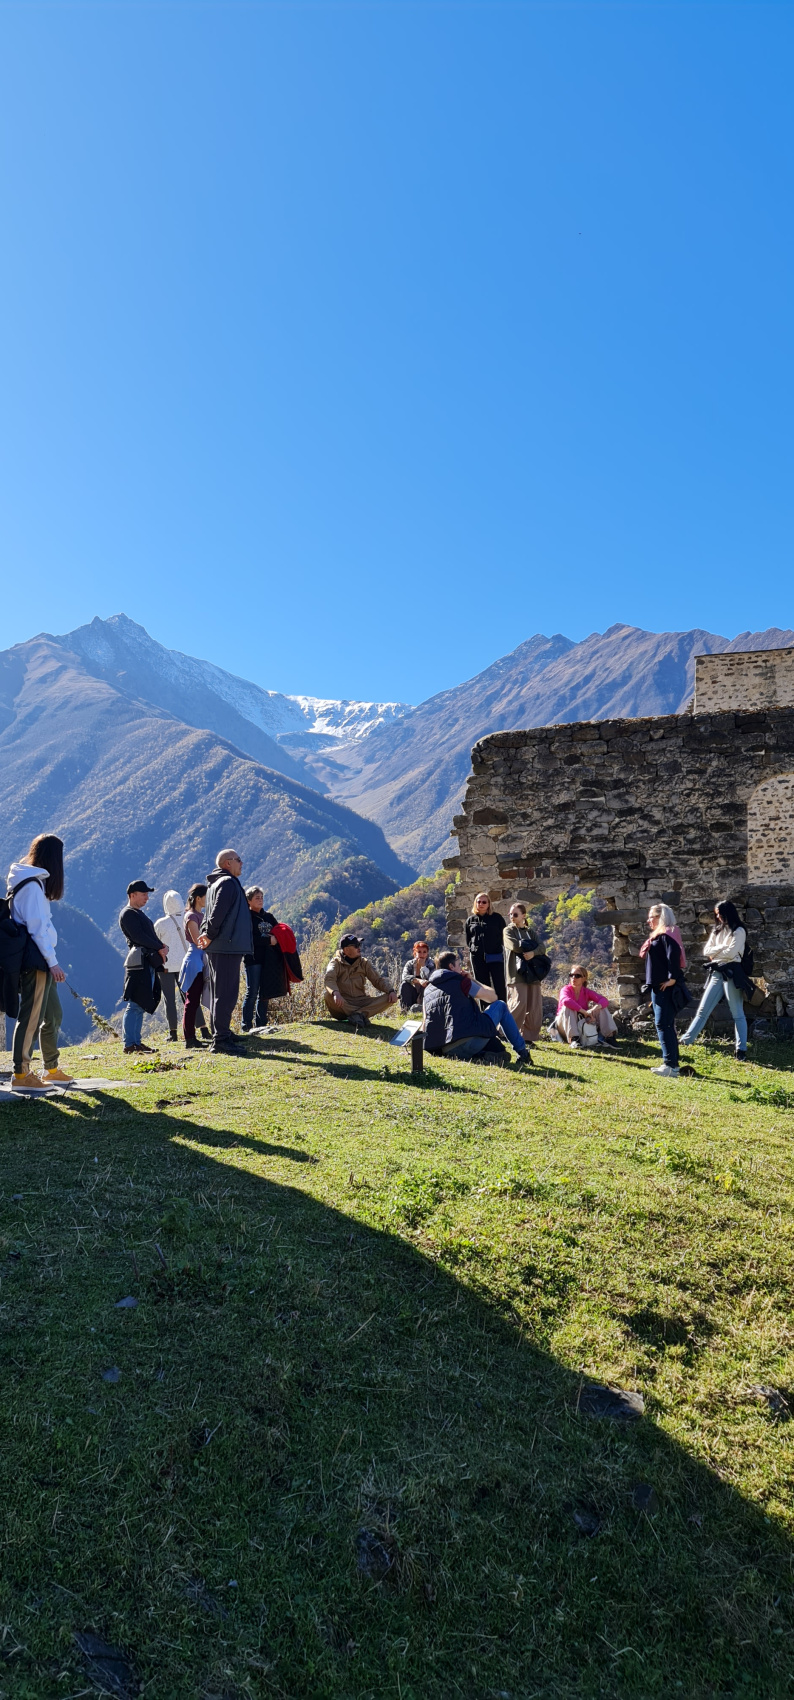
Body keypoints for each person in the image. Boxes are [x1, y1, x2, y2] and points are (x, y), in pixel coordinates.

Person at [8, 833, 73, 1089]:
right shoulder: (33, 887)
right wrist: (53, 961)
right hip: (36, 959)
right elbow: (37, 929)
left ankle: (51, 1068)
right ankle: (21, 1074)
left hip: (40, 959)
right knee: (31, 1016)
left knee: (53, 1013)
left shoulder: (29, 883)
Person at [422, 947, 532, 1068]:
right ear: (451, 967)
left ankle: (481, 1055)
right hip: (466, 1041)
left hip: (443, 1048)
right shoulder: (461, 981)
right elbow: (492, 998)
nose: (461, 969)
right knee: (500, 1005)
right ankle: (523, 1053)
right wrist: (472, 979)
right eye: (459, 965)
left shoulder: (428, 989)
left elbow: (424, 1021)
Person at [680, 900, 750, 1060]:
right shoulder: (717, 931)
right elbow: (707, 951)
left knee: (737, 1012)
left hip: (732, 972)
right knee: (703, 1010)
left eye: (720, 914)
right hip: (717, 972)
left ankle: (741, 1050)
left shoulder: (739, 931)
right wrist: (722, 950)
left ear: (728, 913)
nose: (718, 917)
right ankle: (686, 1040)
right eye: (716, 914)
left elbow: (732, 954)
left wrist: (717, 953)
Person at [198, 849, 253, 1054]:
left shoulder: (215, 883)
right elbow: (218, 913)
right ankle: (220, 1039)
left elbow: (209, 913)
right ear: (228, 863)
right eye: (239, 860)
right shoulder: (228, 883)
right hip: (226, 945)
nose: (242, 863)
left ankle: (222, 1033)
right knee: (226, 993)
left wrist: (207, 934)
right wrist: (210, 934)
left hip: (221, 945)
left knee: (219, 991)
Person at [119, 880, 166, 1054]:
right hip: (139, 962)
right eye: (143, 894)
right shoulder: (128, 914)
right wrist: (160, 946)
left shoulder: (136, 913)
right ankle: (130, 1043)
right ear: (132, 895)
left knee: (140, 1003)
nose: (147, 897)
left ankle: (136, 1043)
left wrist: (159, 946)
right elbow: (139, 937)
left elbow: (146, 937)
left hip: (145, 961)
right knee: (135, 1003)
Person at [643, 903, 687, 1079]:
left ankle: (670, 1065)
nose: (649, 920)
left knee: (664, 1024)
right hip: (658, 986)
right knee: (666, 1024)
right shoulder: (664, 934)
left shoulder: (667, 934)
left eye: (652, 917)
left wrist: (673, 979)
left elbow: (673, 955)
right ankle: (671, 1064)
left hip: (664, 987)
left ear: (661, 917)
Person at [324, 934, 399, 1029]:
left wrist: (391, 991)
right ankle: (360, 1014)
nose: (359, 948)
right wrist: (336, 993)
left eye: (359, 945)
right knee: (327, 995)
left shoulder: (364, 963)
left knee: (390, 998)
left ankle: (358, 1015)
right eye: (356, 946)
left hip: (361, 1001)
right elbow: (329, 979)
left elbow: (377, 980)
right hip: (343, 1004)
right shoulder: (335, 963)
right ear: (346, 950)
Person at [242, 888, 286, 1031]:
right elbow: (247, 939)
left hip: (269, 960)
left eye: (261, 897)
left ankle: (261, 1024)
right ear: (249, 901)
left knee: (265, 993)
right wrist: (268, 941)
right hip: (253, 959)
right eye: (256, 898)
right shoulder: (246, 918)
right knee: (252, 992)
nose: (260, 900)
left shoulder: (269, 917)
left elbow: (279, 932)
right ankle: (246, 1026)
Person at [503, 902, 544, 1045]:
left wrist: (533, 952)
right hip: (516, 973)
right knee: (518, 1002)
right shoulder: (508, 931)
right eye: (510, 914)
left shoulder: (530, 932)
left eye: (515, 914)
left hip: (532, 972)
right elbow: (513, 946)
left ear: (523, 916)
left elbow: (542, 947)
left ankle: (528, 1037)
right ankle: (505, 1031)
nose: (512, 917)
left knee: (534, 1006)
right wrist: (530, 947)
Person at [556, 965, 618, 1049]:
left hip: (580, 1024)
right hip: (564, 1025)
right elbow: (566, 1001)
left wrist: (593, 1010)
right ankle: (574, 1039)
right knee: (568, 1007)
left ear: (584, 978)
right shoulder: (566, 989)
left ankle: (609, 1037)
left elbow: (604, 1000)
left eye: (577, 976)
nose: (573, 978)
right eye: (571, 975)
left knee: (601, 1007)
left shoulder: (586, 992)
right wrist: (584, 1012)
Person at [154, 890, 187, 1042]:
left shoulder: (161, 924)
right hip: (185, 965)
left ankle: (173, 1032)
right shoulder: (188, 919)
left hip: (166, 966)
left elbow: (155, 944)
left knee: (169, 1000)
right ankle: (202, 1028)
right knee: (189, 997)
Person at [181, 882, 210, 1047]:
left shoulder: (200, 915)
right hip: (195, 961)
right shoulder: (191, 916)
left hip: (201, 960)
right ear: (198, 898)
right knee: (192, 1001)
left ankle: (191, 1037)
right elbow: (198, 941)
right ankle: (189, 1038)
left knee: (194, 1000)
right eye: (206, 896)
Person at [465, 893, 508, 1000]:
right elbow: (468, 939)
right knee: (482, 987)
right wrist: (474, 950)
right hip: (478, 958)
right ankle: (486, 1013)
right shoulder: (470, 921)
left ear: (489, 904)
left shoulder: (497, 918)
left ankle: (503, 1009)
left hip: (495, 956)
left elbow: (504, 937)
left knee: (499, 985)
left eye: (484, 902)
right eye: (478, 902)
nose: (481, 904)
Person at [399, 940, 435, 1013]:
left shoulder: (431, 964)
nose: (422, 954)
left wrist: (423, 966)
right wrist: (418, 980)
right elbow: (405, 977)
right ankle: (405, 1010)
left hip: (426, 992)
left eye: (424, 952)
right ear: (415, 953)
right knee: (404, 985)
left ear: (427, 953)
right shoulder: (410, 964)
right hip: (413, 991)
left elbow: (432, 978)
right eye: (419, 952)